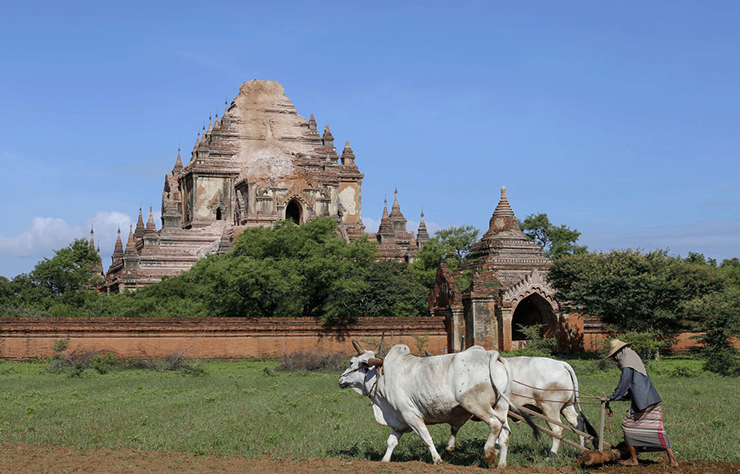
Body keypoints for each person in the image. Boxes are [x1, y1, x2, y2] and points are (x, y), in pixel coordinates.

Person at [605, 339, 679, 468]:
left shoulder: (627, 364)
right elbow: (638, 385)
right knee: (657, 429)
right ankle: (673, 460)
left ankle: (634, 459)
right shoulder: (634, 359)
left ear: (618, 353)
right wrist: (624, 397)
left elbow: (625, 383)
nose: (615, 360)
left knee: (627, 426)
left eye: (614, 357)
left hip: (643, 403)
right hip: (653, 400)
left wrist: (614, 396)